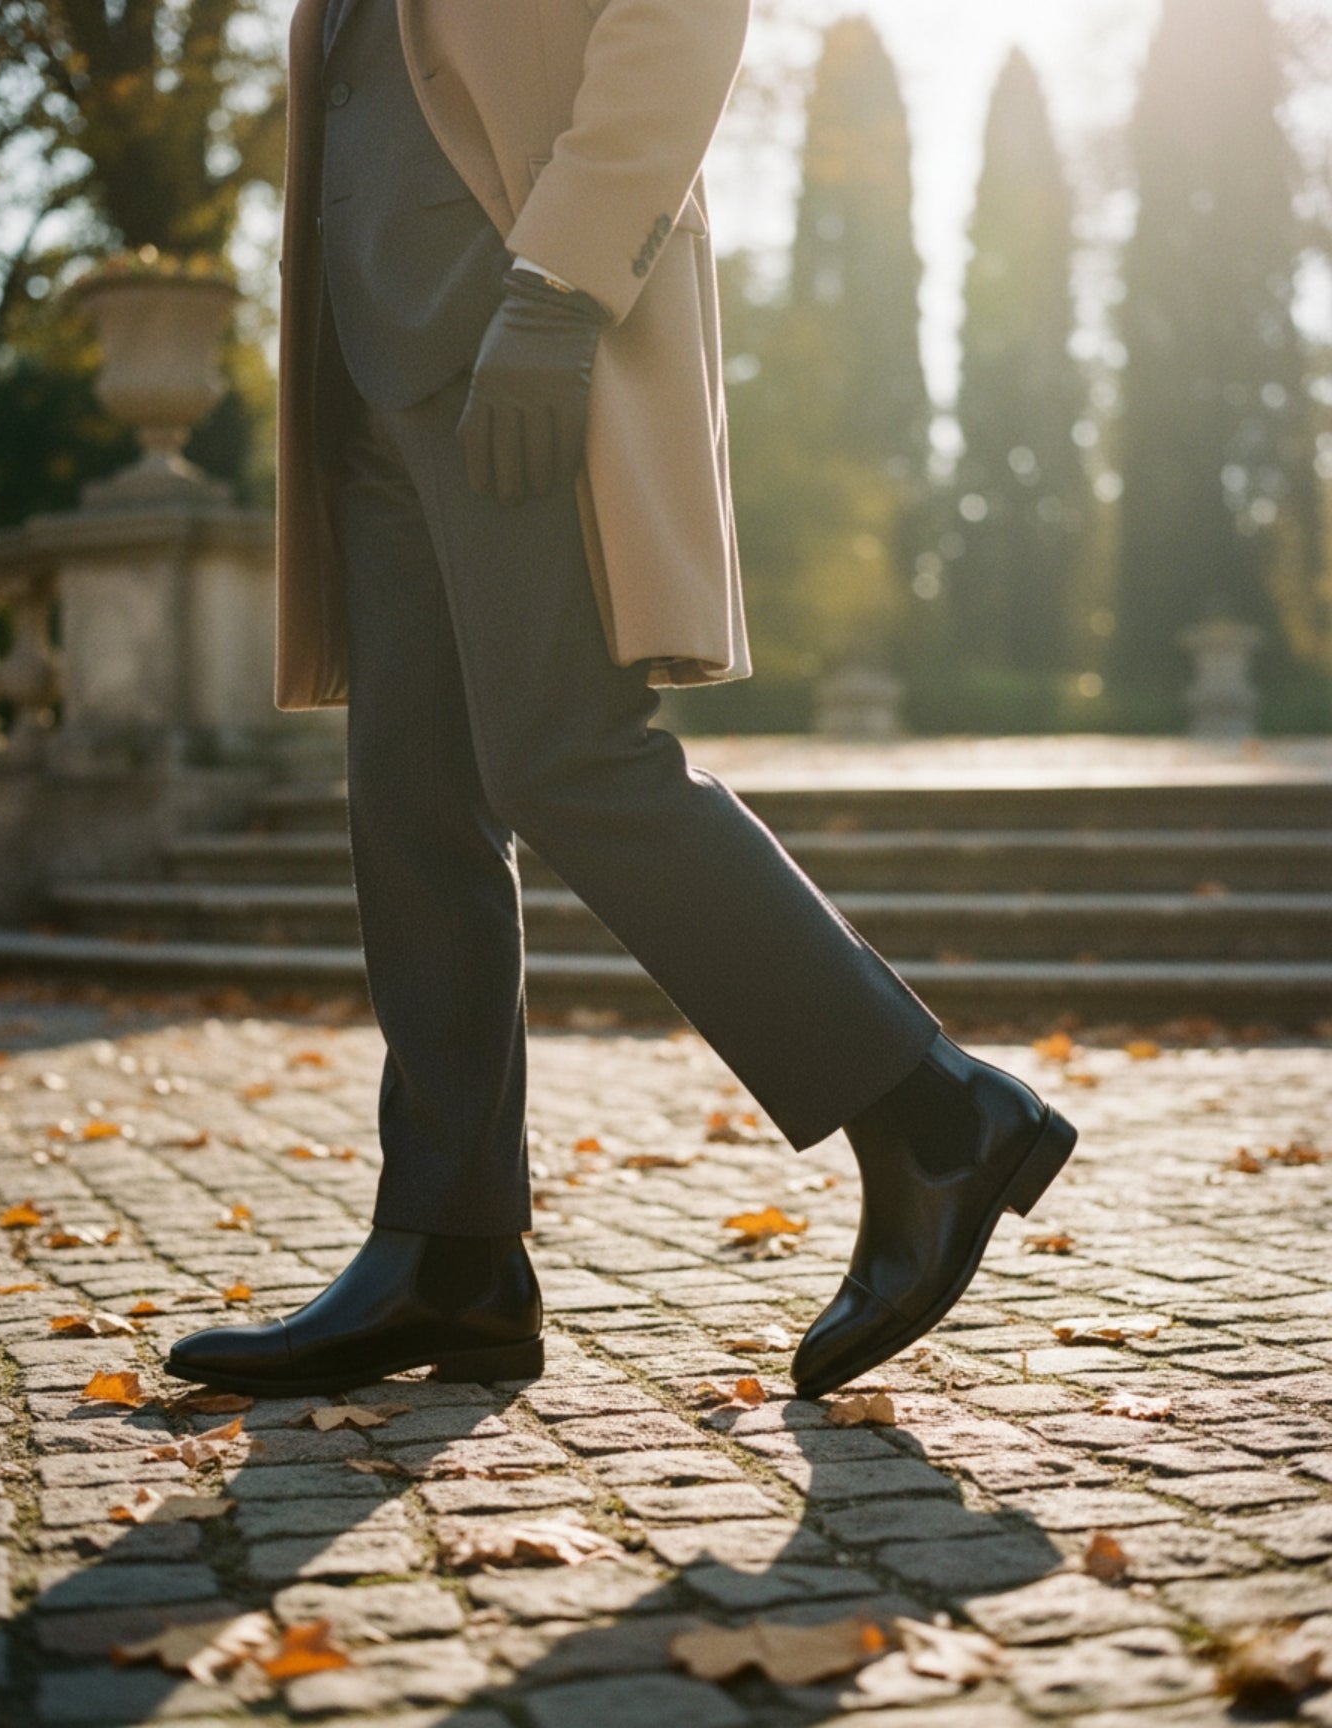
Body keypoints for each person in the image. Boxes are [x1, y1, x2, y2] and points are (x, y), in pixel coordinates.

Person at [167, 0, 1076, 1404]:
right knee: (413, 803)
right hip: (367, 360)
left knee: (567, 760)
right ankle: (450, 1251)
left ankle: (933, 1112)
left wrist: (558, 290)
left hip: (510, 324)